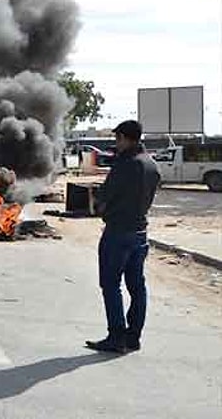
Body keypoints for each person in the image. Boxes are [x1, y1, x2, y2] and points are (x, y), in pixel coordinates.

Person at [86, 120, 160, 354]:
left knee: (110, 285)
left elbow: (105, 195)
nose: (116, 143)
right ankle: (133, 337)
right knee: (137, 286)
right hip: (140, 232)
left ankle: (116, 337)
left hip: (118, 232)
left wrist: (99, 206)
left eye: (117, 138)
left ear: (126, 138)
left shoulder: (125, 164)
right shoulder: (151, 164)